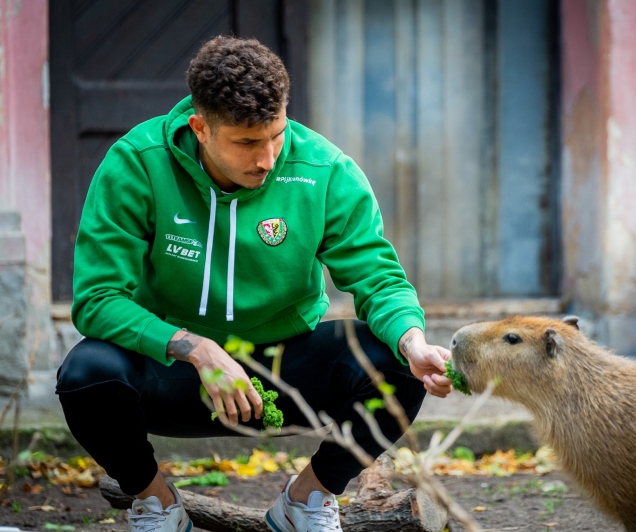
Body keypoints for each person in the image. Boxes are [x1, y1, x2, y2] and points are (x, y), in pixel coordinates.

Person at [56, 36, 454, 532]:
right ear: (199, 128)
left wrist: (412, 338)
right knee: (86, 373)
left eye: (277, 134)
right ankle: (156, 502)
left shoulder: (324, 169)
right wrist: (195, 349)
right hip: (175, 374)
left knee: (395, 362)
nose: (267, 157)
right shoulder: (136, 163)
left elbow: (376, 274)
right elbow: (97, 301)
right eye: (247, 142)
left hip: (284, 373)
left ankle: (306, 500)